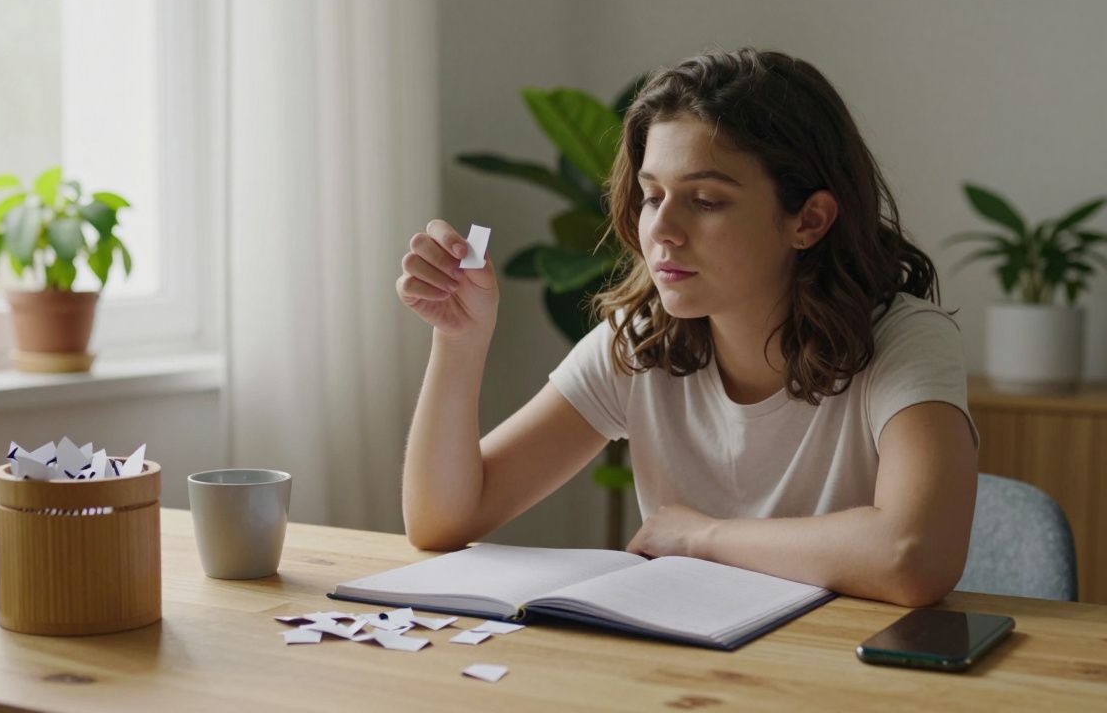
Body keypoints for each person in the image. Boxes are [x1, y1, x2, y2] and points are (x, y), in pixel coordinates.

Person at [394, 48, 979, 607]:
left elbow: (915, 556)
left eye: (704, 200)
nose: (662, 229)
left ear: (809, 219)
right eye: (652, 196)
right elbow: (442, 520)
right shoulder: (642, 343)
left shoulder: (905, 341)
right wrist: (460, 340)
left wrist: (703, 538)